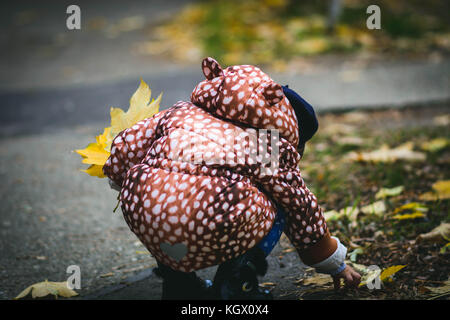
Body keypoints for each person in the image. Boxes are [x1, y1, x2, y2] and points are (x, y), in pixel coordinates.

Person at [103, 57, 361, 300]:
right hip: (214, 217)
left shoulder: (184, 111)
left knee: (165, 200)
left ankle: (180, 285)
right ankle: (234, 284)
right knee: (280, 204)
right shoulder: (268, 142)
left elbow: (129, 141)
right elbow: (301, 208)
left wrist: (121, 179)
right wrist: (333, 262)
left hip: (147, 211)